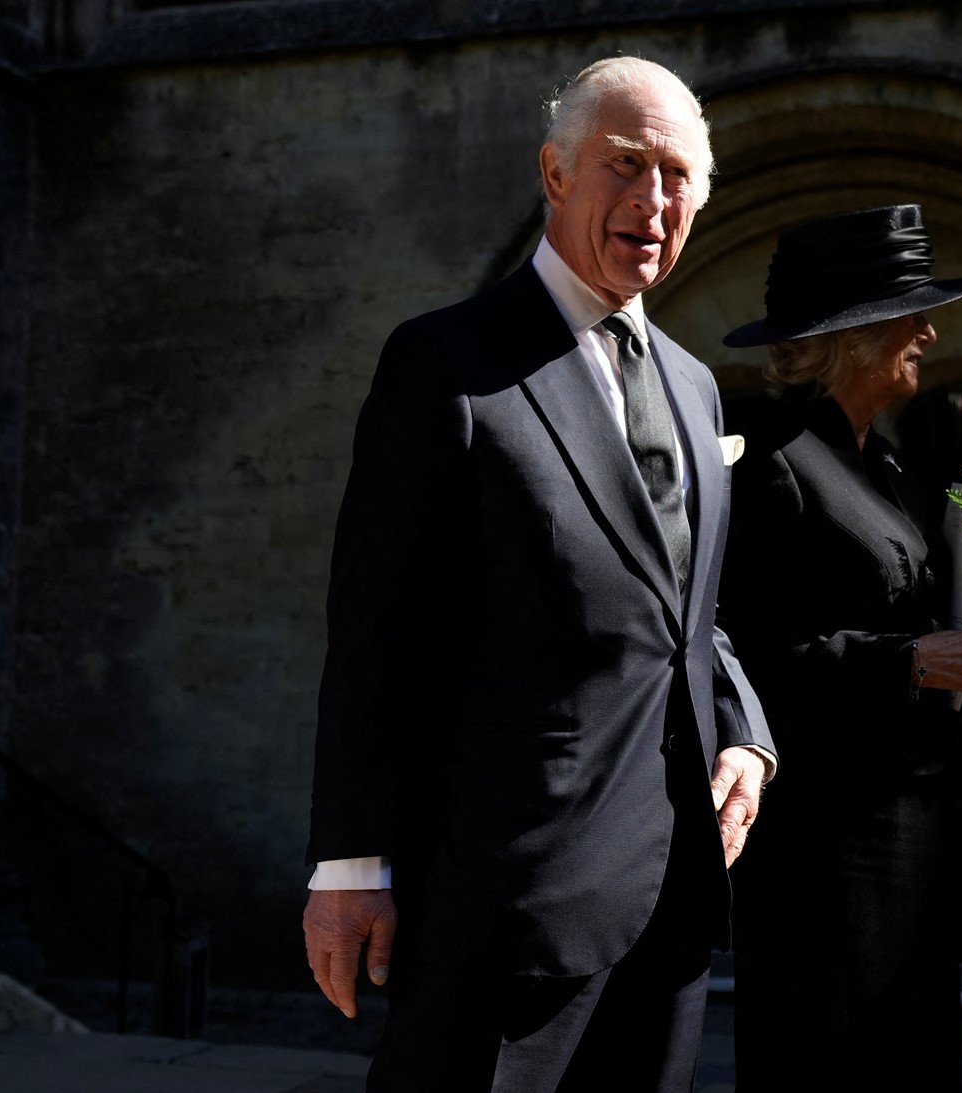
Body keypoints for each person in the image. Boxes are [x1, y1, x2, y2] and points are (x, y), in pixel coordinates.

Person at [300, 56, 776, 1092]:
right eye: (625, 165)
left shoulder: (695, 388)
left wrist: (744, 731)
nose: (653, 201)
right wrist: (347, 866)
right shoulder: (447, 363)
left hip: (671, 904)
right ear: (555, 176)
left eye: (678, 176)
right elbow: (375, 629)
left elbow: (684, 609)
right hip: (501, 903)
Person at [717, 204, 962, 1091]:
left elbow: (919, 624)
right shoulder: (770, 461)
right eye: (913, 314)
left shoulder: (891, 466)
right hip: (822, 849)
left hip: (914, 829)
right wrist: (901, 661)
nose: (931, 333)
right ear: (854, 333)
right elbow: (739, 658)